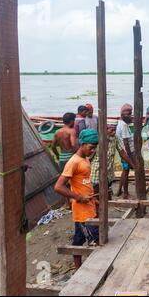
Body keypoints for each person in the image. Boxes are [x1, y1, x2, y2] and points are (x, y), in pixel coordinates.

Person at [54, 129, 99, 269]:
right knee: (96, 241)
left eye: (94, 148)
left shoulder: (84, 159)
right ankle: (94, 269)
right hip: (82, 211)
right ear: (83, 144)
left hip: (88, 207)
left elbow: (83, 182)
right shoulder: (73, 162)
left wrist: (92, 198)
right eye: (91, 147)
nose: (93, 151)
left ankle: (78, 268)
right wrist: (79, 197)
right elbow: (58, 187)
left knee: (79, 240)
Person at [90, 125, 135, 198]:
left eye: (114, 130)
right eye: (111, 130)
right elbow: (89, 157)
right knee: (97, 194)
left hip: (109, 171)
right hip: (96, 171)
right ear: (105, 130)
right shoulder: (97, 139)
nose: (114, 132)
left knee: (107, 192)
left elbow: (122, 152)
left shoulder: (115, 138)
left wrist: (132, 164)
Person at [51, 112, 78, 210]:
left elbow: (53, 146)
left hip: (62, 159)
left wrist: (58, 155)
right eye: (74, 120)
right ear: (71, 121)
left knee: (63, 183)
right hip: (70, 158)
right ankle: (76, 200)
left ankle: (67, 204)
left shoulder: (57, 132)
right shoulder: (71, 131)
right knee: (74, 180)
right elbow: (74, 145)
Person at [116, 103, 135, 199]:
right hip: (127, 152)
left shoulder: (121, 123)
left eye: (131, 113)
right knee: (126, 171)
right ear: (123, 115)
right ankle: (125, 193)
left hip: (125, 151)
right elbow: (126, 142)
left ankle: (120, 190)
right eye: (129, 114)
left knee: (125, 171)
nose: (131, 116)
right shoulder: (123, 125)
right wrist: (130, 157)